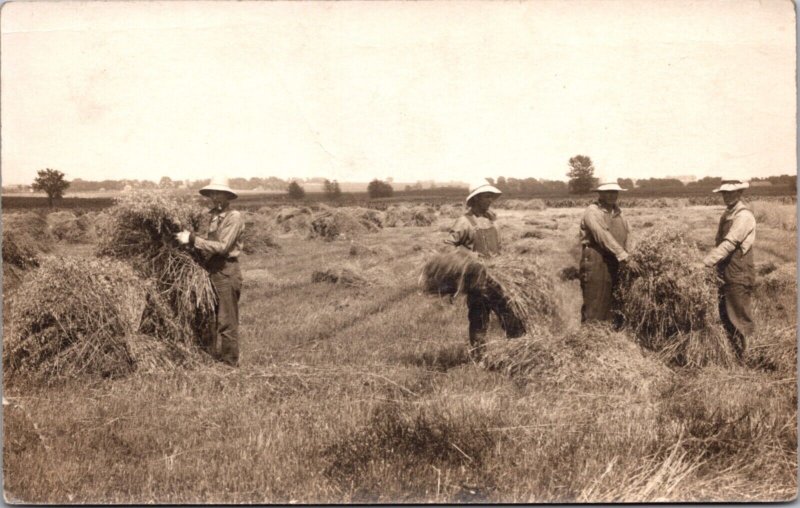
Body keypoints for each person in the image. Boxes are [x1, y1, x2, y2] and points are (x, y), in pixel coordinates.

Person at [446, 178, 525, 360]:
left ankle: (516, 352)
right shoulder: (464, 222)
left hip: (498, 277)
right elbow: (448, 246)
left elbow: (499, 244)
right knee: (479, 318)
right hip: (478, 278)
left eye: (491, 197)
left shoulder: (492, 219)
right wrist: (469, 256)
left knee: (510, 314)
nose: (490, 200)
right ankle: (479, 357)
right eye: (486, 197)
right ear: (475, 199)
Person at [176, 176, 245, 366]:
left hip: (226, 271)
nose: (214, 197)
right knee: (207, 317)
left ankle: (230, 364)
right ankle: (210, 358)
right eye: (212, 193)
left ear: (227, 196)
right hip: (209, 271)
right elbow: (202, 242)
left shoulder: (234, 217)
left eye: (218, 193)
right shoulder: (209, 217)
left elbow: (222, 247)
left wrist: (192, 240)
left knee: (226, 321)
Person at [700, 177, 756, 361]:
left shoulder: (744, 216)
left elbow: (730, 243)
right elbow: (718, 242)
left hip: (738, 270)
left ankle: (749, 355)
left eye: (731, 192)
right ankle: (735, 354)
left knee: (740, 313)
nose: (727, 196)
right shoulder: (727, 214)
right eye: (725, 193)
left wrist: (706, 262)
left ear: (740, 193)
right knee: (726, 312)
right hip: (725, 270)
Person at [579, 179, 638, 326]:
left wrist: (632, 252)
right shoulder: (592, 212)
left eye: (615, 192)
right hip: (596, 259)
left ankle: (611, 335)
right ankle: (590, 338)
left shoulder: (619, 212)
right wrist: (625, 257)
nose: (612, 195)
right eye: (608, 192)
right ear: (600, 193)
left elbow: (630, 232)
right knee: (595, 301)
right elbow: (602, 236)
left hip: (615, 259)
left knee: (613, 301)